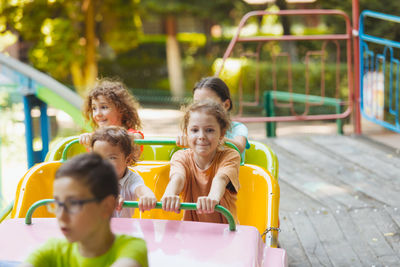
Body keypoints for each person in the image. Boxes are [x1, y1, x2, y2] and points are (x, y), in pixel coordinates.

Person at [21, 153, 149, 267]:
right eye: (58, 204)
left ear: (107, 206)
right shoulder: (52, 249)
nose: (61, 216)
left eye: (73, 204)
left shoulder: (132, 248)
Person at [162, 100, 241, 224]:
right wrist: (170, 193)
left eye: (209, 130)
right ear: (186, 133)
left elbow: (220, 179)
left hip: (225, 231)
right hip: (191, 231)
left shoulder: (230, 155)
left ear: (222, 134)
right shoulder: (181, 157)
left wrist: (212, 198)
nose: (201, 136)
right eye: (194, 130)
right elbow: (178, 178)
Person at [176, 76, 250, 160]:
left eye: (208, 103)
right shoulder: (193, 130)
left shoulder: (237, 128)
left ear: (226, 105)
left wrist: (216, 138)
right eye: (197, 103)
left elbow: (239, 147)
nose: (202, 108)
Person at [91, 126, 157, 218]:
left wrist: (147, 195)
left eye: (111, 158)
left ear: (128, 160)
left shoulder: (132, 178)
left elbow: (140, 188)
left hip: (123, 229)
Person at [79, 78, 144, 156]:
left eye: (104, 107)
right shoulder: (94, 137)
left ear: (121, 109)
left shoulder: (132, 134)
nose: (98, 114)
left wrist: (129, 139)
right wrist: (87, 140)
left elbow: (136, 138)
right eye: (94, 108)